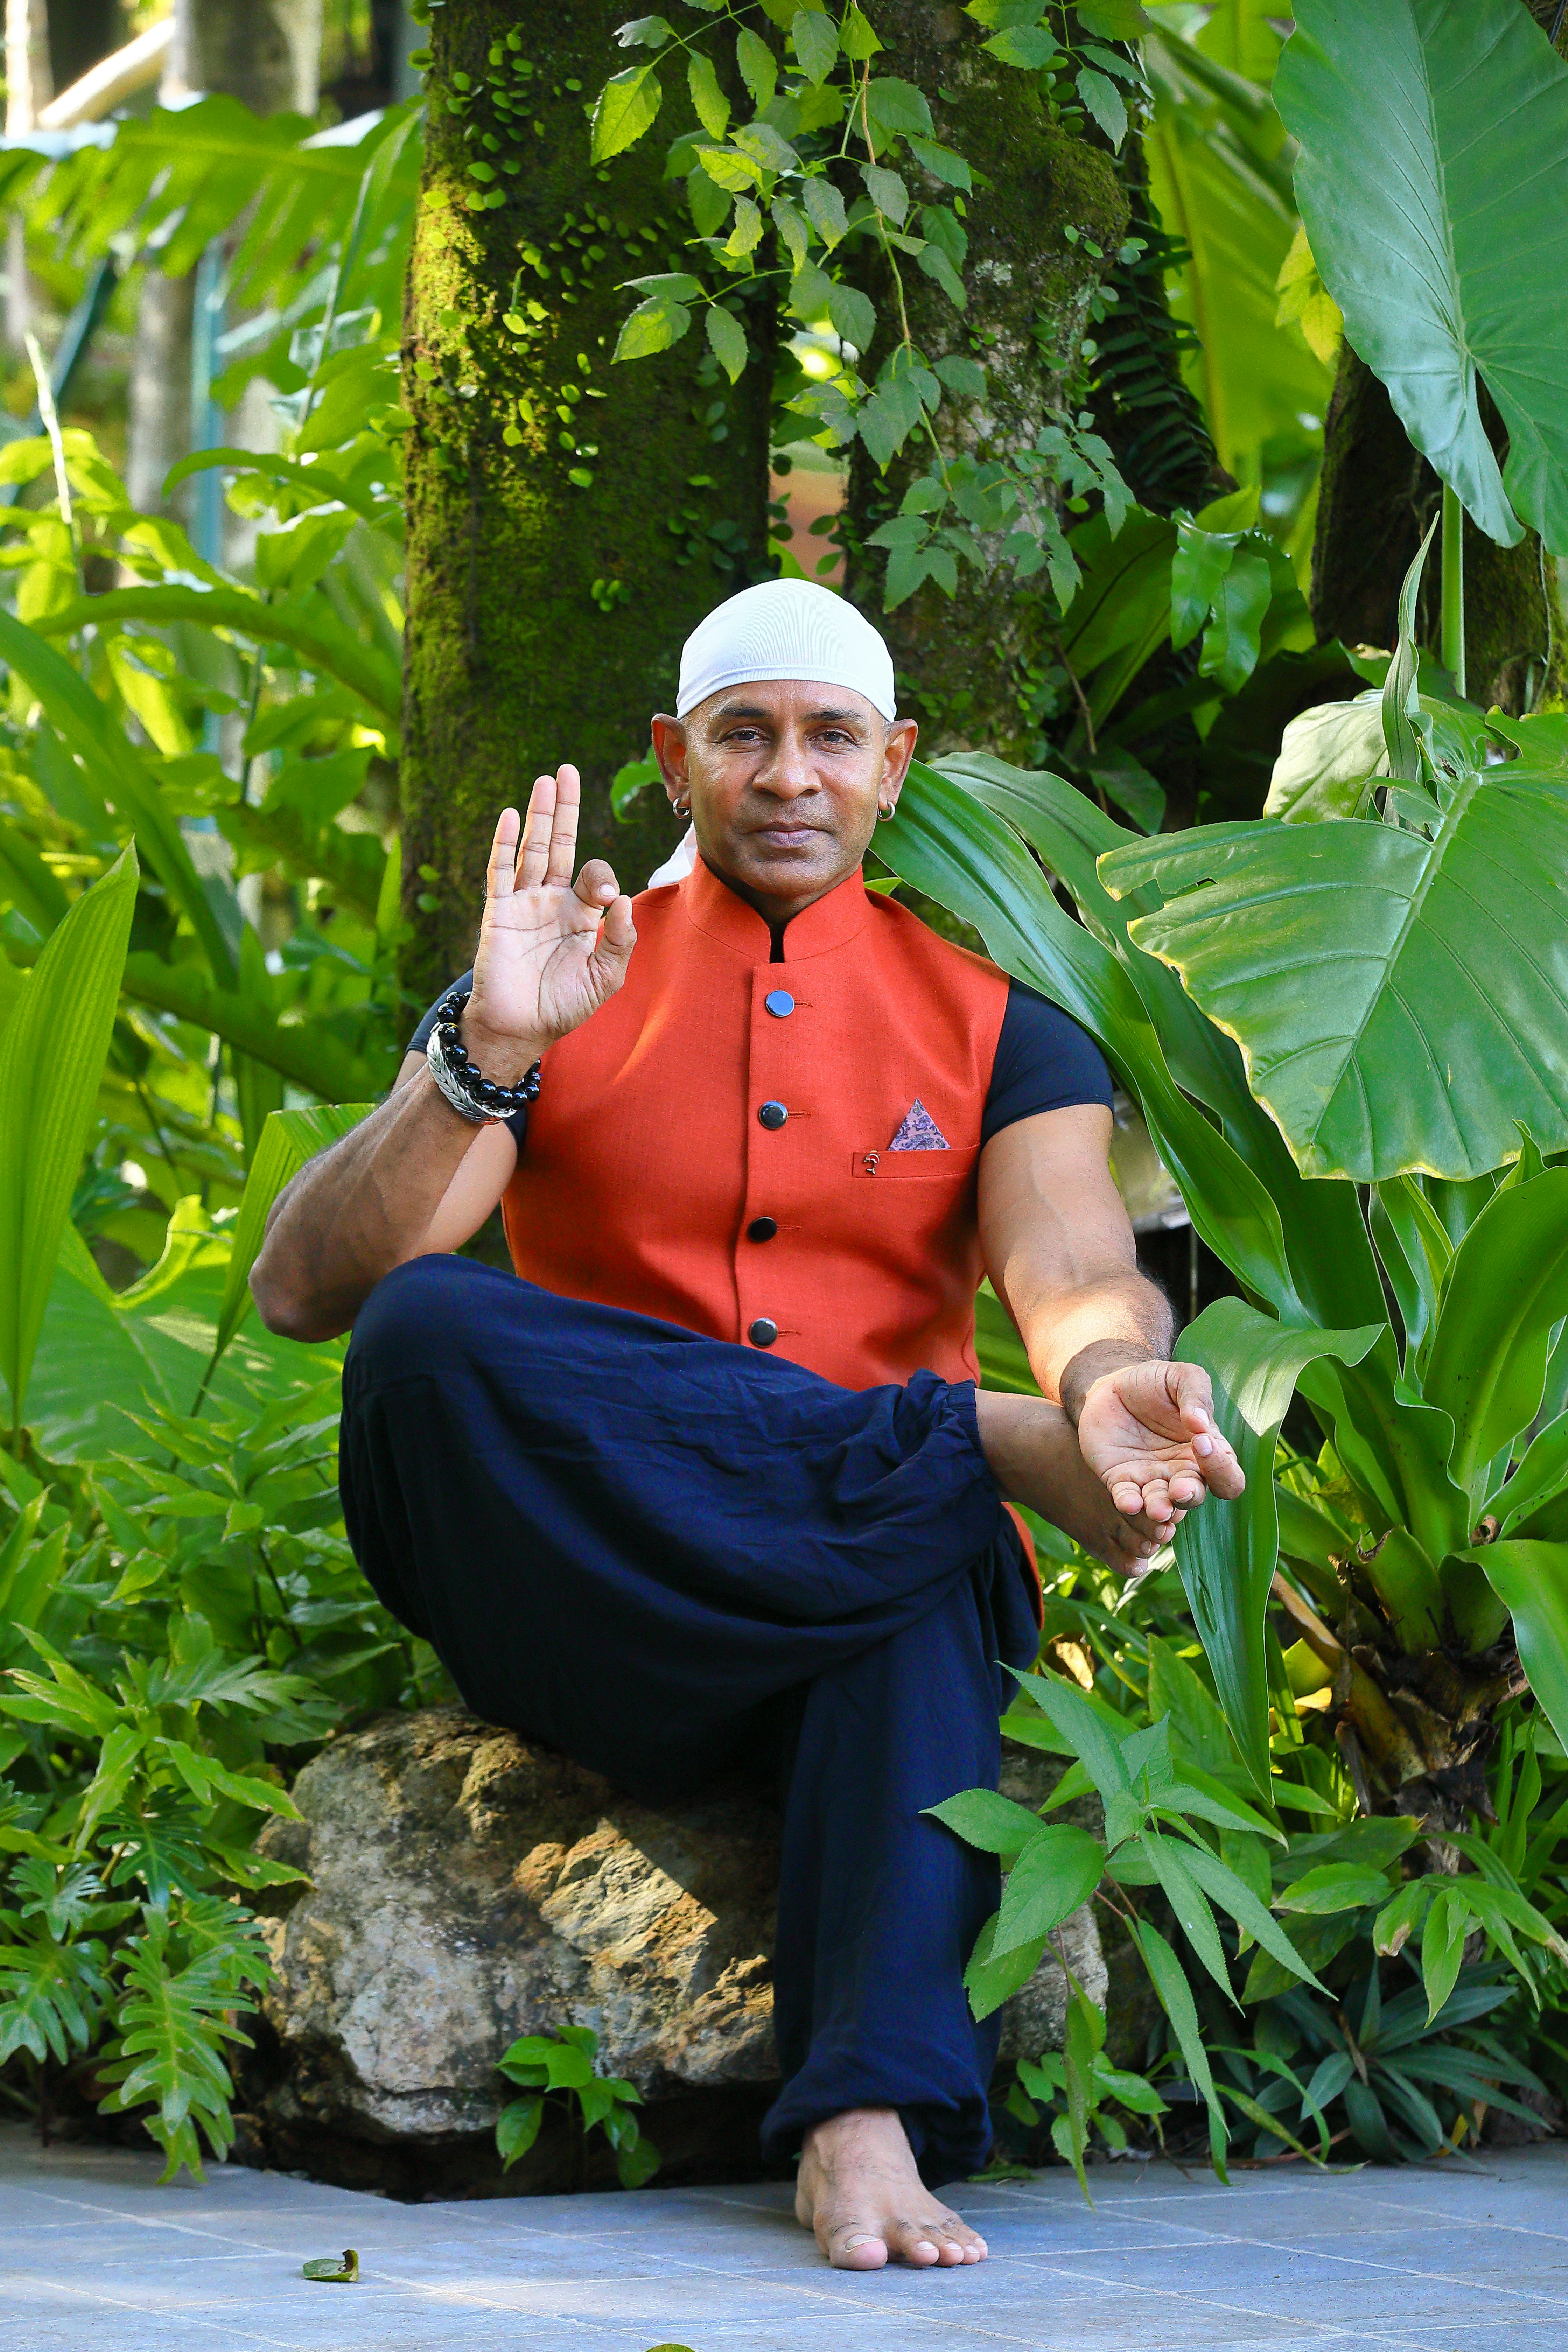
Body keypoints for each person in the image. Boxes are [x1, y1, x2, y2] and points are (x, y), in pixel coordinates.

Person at [251, 580, 1243, 2273]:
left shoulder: (1004, 1027)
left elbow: (1075, 1265)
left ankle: (864, 2118)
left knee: (911, 1583)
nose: (791, 774)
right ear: (674, 759)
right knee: (422, 1329)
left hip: (860, 1581)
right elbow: (304, 1290)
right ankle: (957, 1438)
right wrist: (484, 1049)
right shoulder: (561, 981)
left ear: (893, 765)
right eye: (745, 735)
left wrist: (1098, 1385)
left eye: (832, 737)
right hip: (602, 1586)